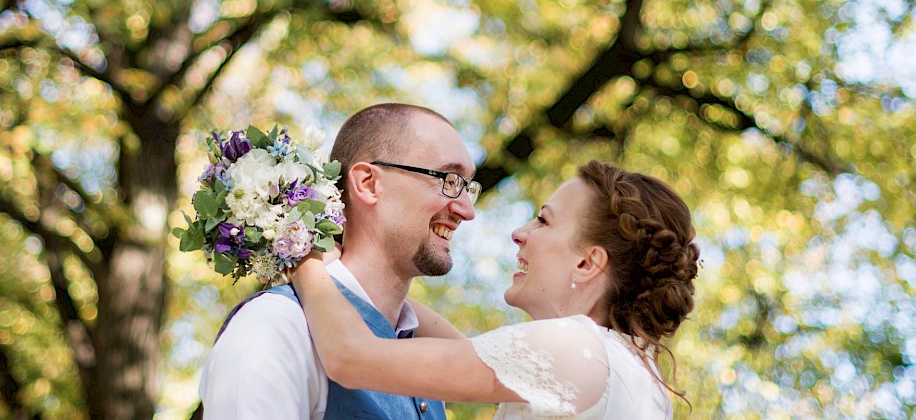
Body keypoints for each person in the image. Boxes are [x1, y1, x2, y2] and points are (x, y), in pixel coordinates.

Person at [292, 160, 700, 419]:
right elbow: (464, 351)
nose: (519, 234)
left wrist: (301, 252)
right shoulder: (633, 373)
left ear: (587, 263)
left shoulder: (572, 349)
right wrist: (372, 279)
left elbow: (351, 359)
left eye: (542, 221)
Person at [198, 103, 480, 419]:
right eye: (450, 179)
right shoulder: (275, 324)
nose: (467, 211)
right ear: (369, 184)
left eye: (469, 187)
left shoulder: (422, 358)